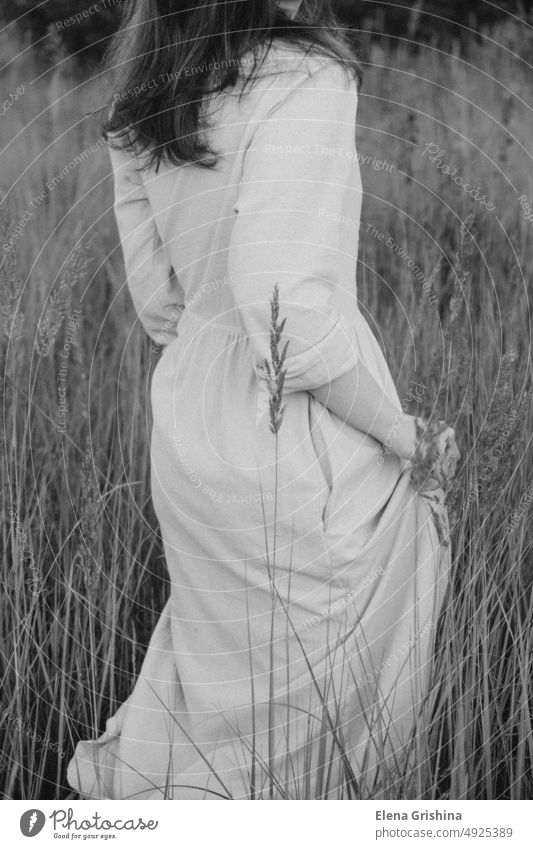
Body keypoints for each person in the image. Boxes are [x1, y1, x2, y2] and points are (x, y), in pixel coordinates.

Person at [67, 0, 459, 800]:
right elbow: (285, 306)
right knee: (306, 731)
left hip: (191, 425)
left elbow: (161, 309)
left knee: (216, 696)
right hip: (291, 431)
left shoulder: (145, 95)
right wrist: (402, 435)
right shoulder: (305, 74)